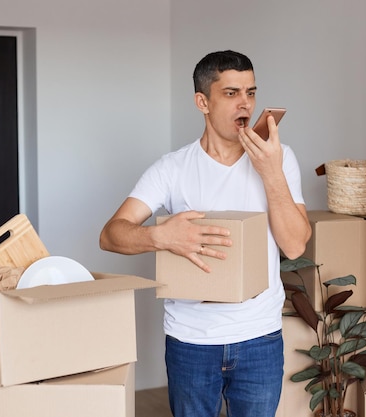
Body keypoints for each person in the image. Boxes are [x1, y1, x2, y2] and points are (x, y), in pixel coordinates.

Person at [100, 50, 311, 417]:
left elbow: (294, 245)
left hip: (259, 337)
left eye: (251, 92)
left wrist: (271, 172)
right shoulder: (172, 168)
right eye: (231, 93)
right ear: (202, 102)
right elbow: (111, 235)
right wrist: (160, 237)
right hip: (190, 341)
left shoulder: (279, 158)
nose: (244, 103)